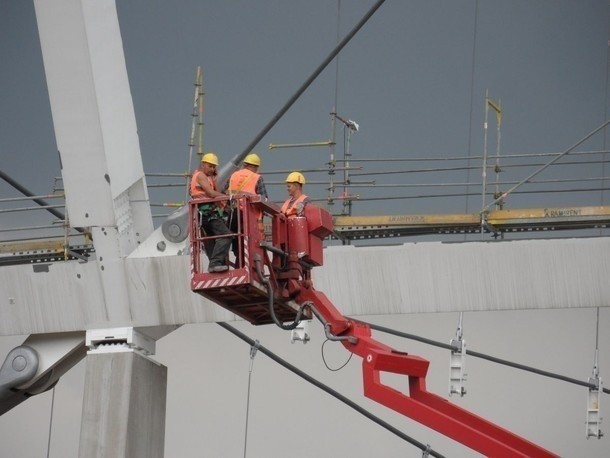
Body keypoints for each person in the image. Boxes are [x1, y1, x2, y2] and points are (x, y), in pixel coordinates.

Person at [190, 152, 232, 273]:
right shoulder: (200, 176)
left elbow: (213, 192)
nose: (213, 168)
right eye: (210, 166)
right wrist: (228, 197)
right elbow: (211, 194)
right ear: (203, 164)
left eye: (214, 166)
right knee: (225, 235)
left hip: (204, 213)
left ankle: (215, 264)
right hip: (206, 213)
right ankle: (215, 263)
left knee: (210, 240)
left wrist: (214, 179)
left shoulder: (205, 177)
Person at [225, 153, 268, 266]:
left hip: (233, 213)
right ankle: (242, 265)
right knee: (247, 244)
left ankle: (233, 262)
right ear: (255, 167)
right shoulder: (257, 177)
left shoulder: (233, 175)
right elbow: (264, 200)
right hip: (248, 216)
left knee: (235, 240)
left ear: (245, 164)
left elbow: (224, 192)